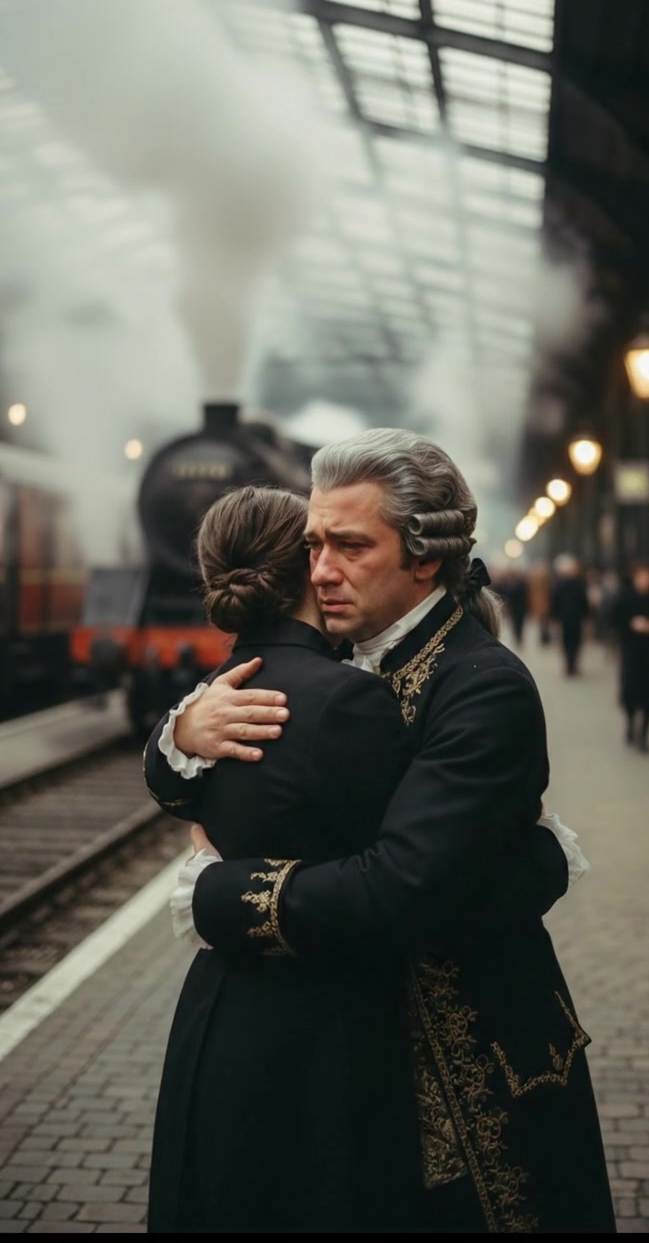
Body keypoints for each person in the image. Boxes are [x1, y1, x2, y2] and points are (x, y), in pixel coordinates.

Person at [145, 428, 616, 1234]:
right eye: (314, 545)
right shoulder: (331, 658)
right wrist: (180, 734)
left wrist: (216, 893)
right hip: (354, 1054)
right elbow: (201, 767)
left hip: (470, 1063)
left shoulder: (482, 684)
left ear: (424, 558)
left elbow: (404, 886)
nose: (321, 570)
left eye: (352, 546)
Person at [611, 563, 649, 751]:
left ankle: (644, 734)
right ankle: (630, 724)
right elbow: (615, 620)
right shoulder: (626, 598)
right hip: (632, 652)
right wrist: (631, 625)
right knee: (631, 692)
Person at [550, 554, 590, 676]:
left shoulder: (579, 585)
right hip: (566, 619)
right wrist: (555, 618)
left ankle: (573, 663)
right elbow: (555, 602)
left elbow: (584, 603)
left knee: (575, 642)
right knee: (567, 642)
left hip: (575, 618)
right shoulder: (562, 585)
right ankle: (569, 664)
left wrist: (586, 617)